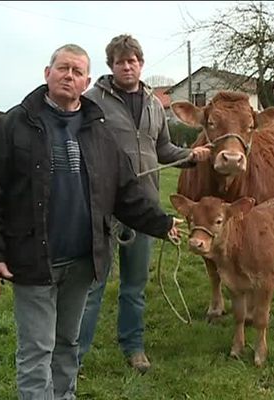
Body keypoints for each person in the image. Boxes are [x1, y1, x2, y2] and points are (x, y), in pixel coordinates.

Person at [0, 43, 182, 400]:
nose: (69, 75)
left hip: (82, 260)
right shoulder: (14, 126)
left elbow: (125, 193)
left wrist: (161, 222)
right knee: (37, 349)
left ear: (87, 82)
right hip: (33, 259)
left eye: (77, 71)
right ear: (47, 73)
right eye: (62, 68)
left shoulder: (98, 131)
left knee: (68, 343)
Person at [78, 34, 210, 373]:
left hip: (144, 209)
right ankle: (75, 355)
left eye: (132, 60)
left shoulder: (155, 104)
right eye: (120, 61)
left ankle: (134, 347)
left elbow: (163, 150)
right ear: (111, 66)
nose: (127, 66)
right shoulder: (92, 101)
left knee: (135, 286)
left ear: (141, 63)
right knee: (93, 285)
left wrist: (191, 157)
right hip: (103, 208)